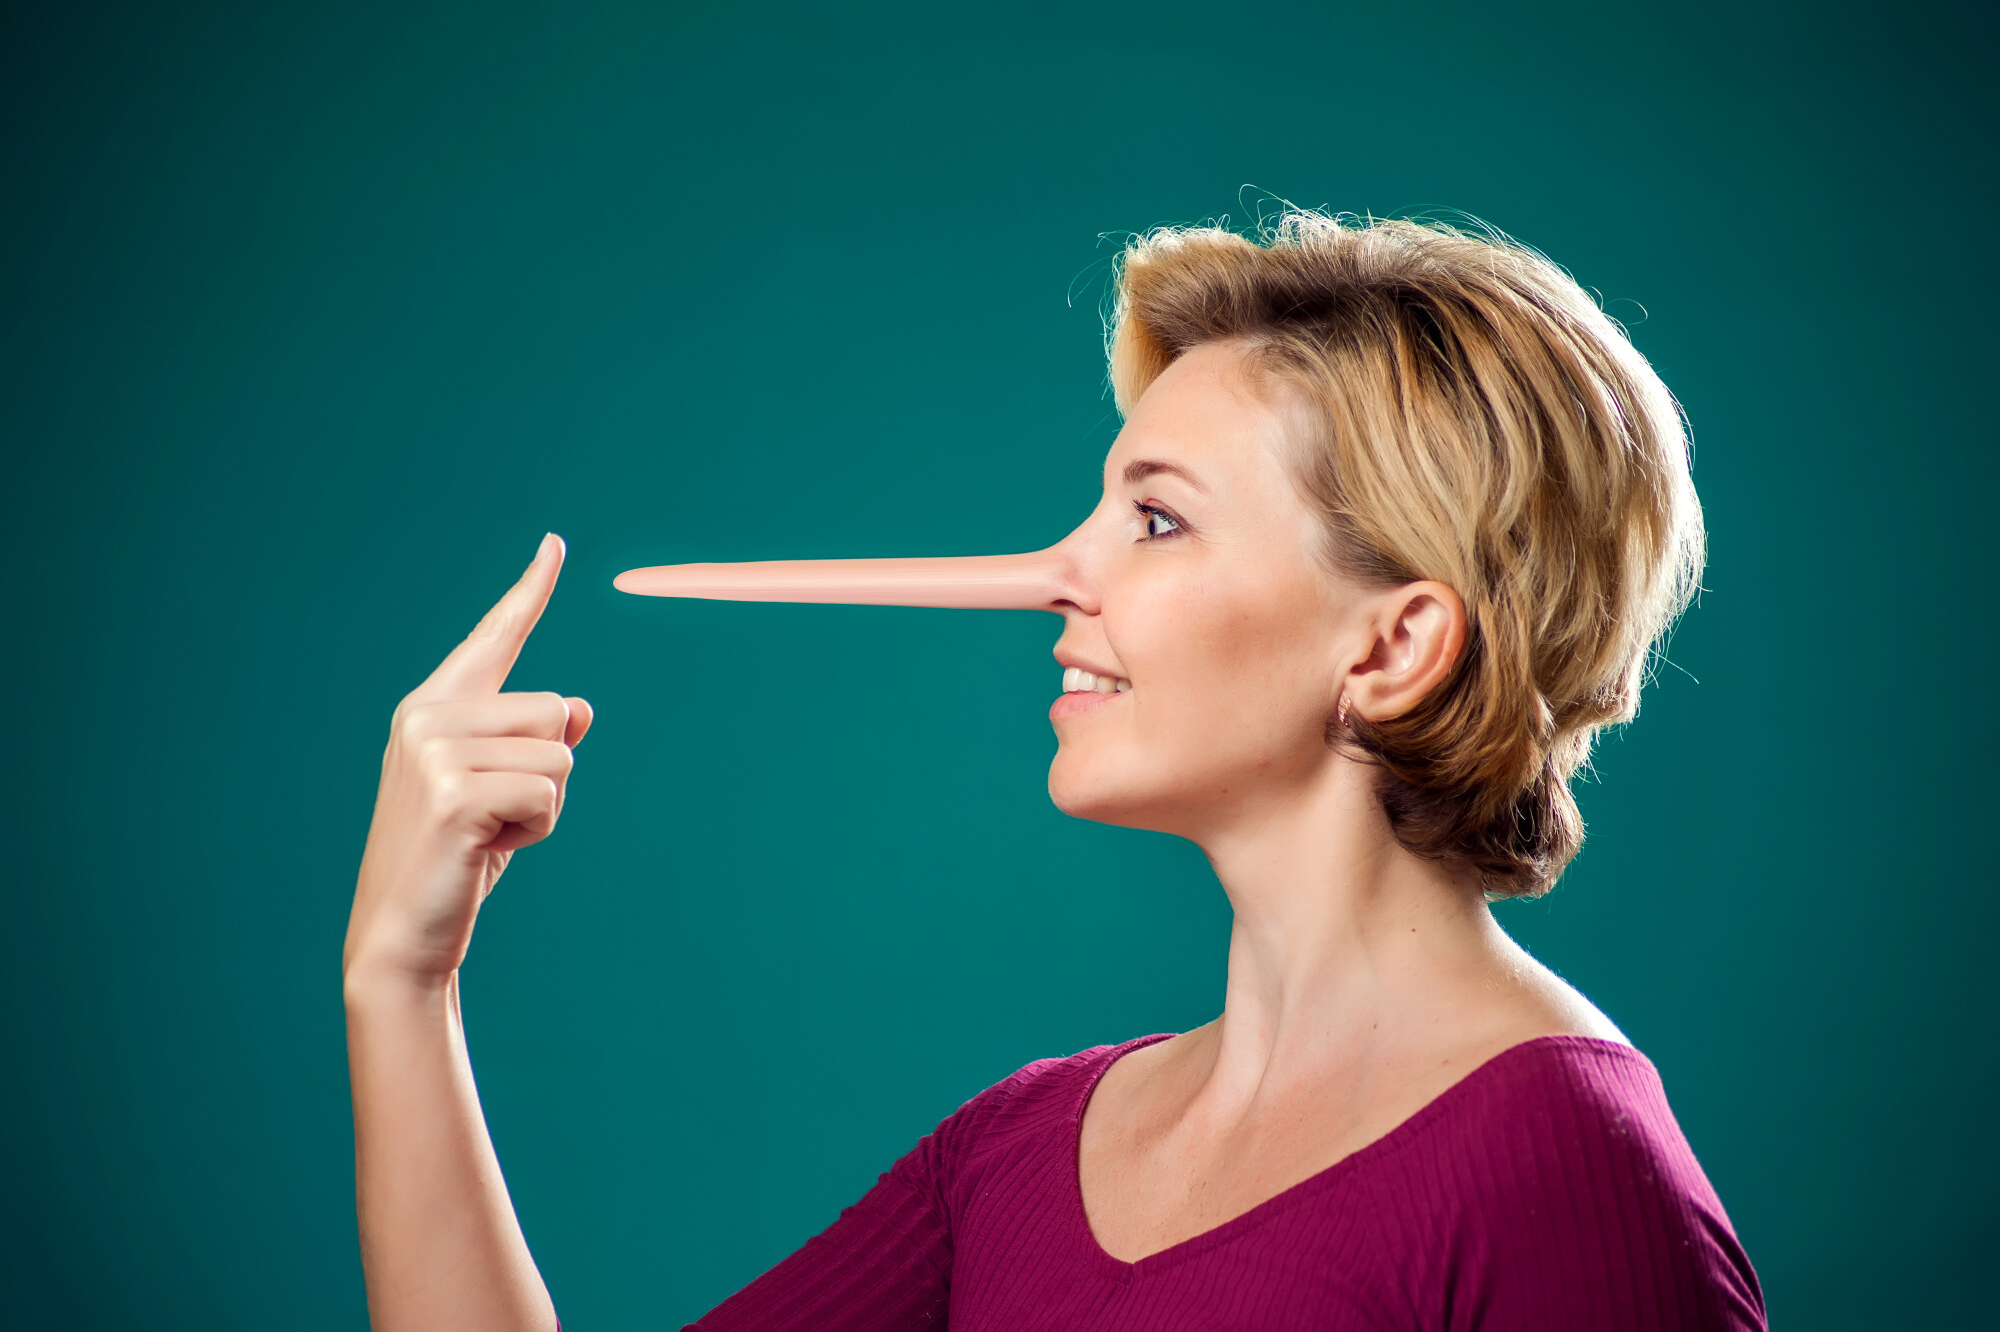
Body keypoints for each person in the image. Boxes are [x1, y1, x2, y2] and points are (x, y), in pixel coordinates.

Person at [343, 212, 1767, 1330]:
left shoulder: (1568, 1171)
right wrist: (402, 983)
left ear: (1393, 645)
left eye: (1154, 522)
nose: (1058, 576)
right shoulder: (1022, 1154)